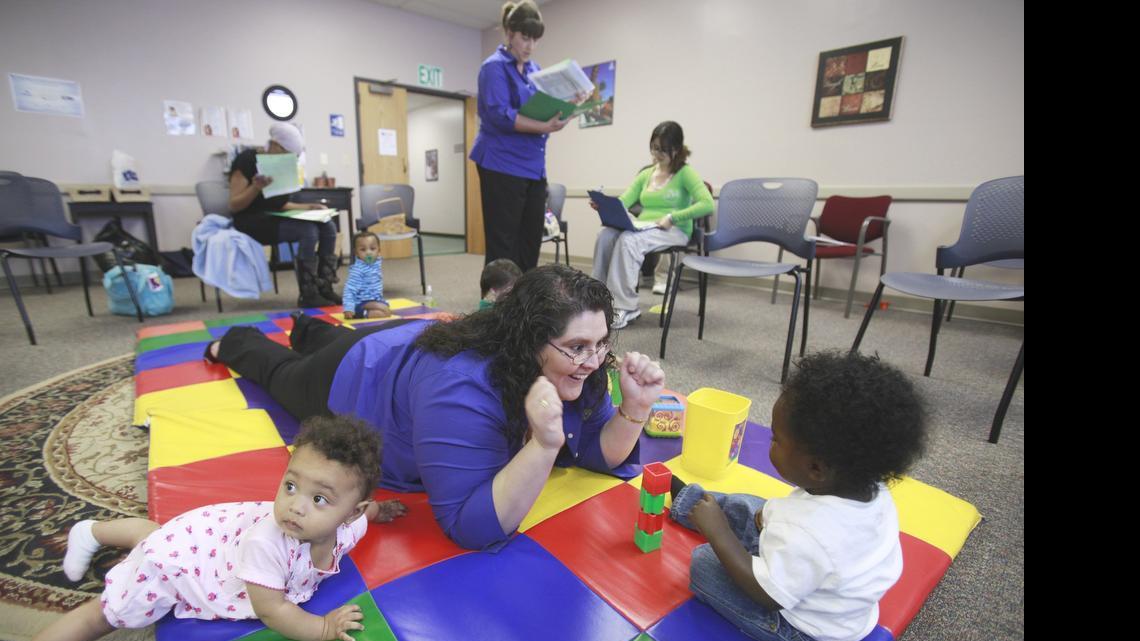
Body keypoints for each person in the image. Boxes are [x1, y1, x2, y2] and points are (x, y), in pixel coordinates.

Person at [204, 264, 665, 551]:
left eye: (601, 343)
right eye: (577, 346)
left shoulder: (577, 365)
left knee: (330, 338)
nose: (592, 361)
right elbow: (470, 526)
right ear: (528, 342)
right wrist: (543, 446)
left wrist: (634, 410)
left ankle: (308, 328)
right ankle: (238, 340)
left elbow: (597, 452)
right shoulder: (462, 388)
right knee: (284, 375)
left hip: (406, 350)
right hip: (358, 376)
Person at [36, 417, 407, 641]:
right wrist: (323, 630)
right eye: (290, 486)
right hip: (179, 565)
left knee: (154, 536)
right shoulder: (269, 542)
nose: (295, 505)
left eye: (319, 499)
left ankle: (92, 531)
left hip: (202, 539)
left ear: (350, 513)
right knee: (106, 611)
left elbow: (365, 514)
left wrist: (381, 510)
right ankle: (91, 532)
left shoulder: (350, 525)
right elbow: (273, 610)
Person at [667, 350, 928, 641]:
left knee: (704, 564)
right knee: (752, 507)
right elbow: (791, 520)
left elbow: (768, 596)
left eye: (776, 438)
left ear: (816, 468)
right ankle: (689, 503)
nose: (771, 441)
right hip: (819, 578)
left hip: (799, 624)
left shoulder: (810, 532)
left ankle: (705, 518)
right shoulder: (864, 485)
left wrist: (718, 533)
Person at [470, 1, 581, 272]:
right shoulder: (493, 68)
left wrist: (568, 108)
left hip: (533, 167)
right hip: (500, 163)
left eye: (535, 39)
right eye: (525, 37)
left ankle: (523, 307)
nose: (530, 46)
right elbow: (499, 114)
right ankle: (498, 309)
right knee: (503, 244)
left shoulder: (534, 71)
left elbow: (543, 115)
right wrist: (544, 127)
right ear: (509, 33)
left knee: (530, 240)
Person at [591, 121, 714, 329]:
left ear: (676, 149)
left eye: (662, 149)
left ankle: (625, 307)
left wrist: (673, 217)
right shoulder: (647, 174)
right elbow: (624, 201)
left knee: (629, 241)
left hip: (674, 229)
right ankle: (596, 300)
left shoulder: (685, 173)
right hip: (645, 226)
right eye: (654, 148)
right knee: (605, 235)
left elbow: (707, 204)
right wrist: (604, 206)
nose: (656, 154)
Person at [228, 122, 341, 307]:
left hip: (272, 217)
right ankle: (308, 293)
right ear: (275, 145)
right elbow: (234, 205)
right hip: (249, 221)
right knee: (308, 231)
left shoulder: (281, 167)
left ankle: (325, 287)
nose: (290, 161)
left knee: (328, 225)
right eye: (289, 155)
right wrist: (256, 187)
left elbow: (278, 204)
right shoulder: (246, 160)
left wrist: (307, 207)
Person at [342, 231, 390, 319]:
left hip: (374, 300)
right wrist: (348, 308)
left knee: (386, 311)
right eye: (363, 250)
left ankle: (367, 313)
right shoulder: (358, 269)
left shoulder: (376, 264)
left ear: (379, 250)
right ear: (356, 253)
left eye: (372, 248)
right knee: (384, 312)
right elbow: (349, 289)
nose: (368, 253)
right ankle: (357, 314)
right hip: (360, 302)